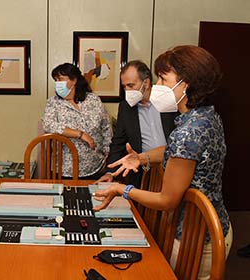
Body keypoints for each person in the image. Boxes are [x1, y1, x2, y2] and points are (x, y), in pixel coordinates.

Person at [93, 45, 232, 279]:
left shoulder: (187, 133)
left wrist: (122, 189)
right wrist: (142, 157)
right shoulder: (206, 116)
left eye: (163, 78)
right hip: (215, 226)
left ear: (185, 83)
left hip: (195, 238)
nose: (157, 85)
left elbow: (167, 200)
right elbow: (178, 152)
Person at [96, 60, 177, 186]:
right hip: (143, 171)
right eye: (124, 87)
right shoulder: (126, 107)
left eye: (131, 85)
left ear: (146, 82)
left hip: (172, 168)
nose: (127, 90)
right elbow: (118, 142)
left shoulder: (170, 101)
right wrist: (110, 172)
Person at [42, 63, 113, 179]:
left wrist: (107, 153)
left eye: (60, 79)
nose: (57, 83)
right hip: (64, 169)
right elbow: (49, 125)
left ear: (74, 80)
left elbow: (106, 127)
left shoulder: (93, 100)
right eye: (55, 80)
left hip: (95, 166)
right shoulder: (53, 103)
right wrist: (80, 134)